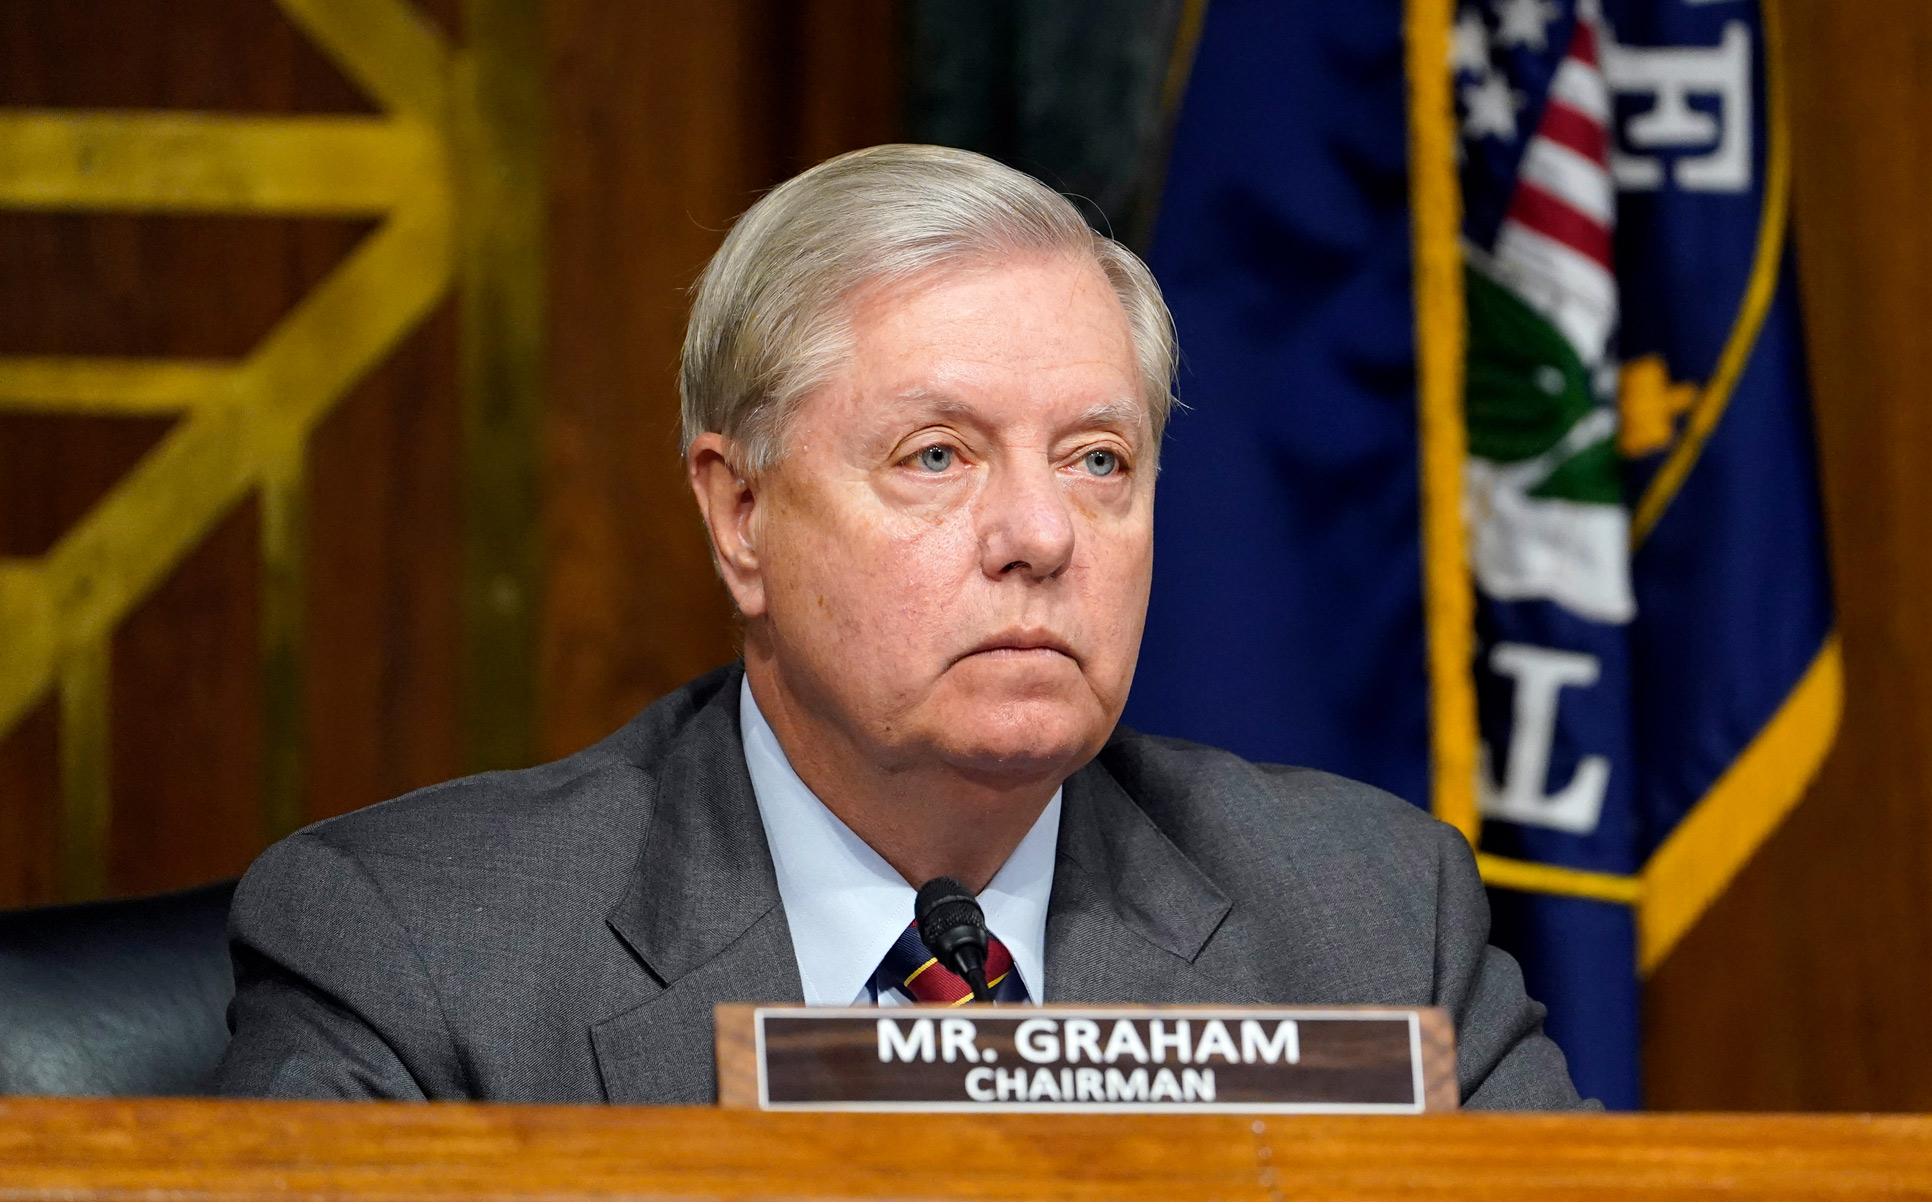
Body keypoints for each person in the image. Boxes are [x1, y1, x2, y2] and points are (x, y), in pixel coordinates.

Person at [211, 144, 1587, 1108]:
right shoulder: (421, 947)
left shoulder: (1368, 918)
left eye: (1098, 461)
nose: (1040, 535)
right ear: (740, 513)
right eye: (938, 456)